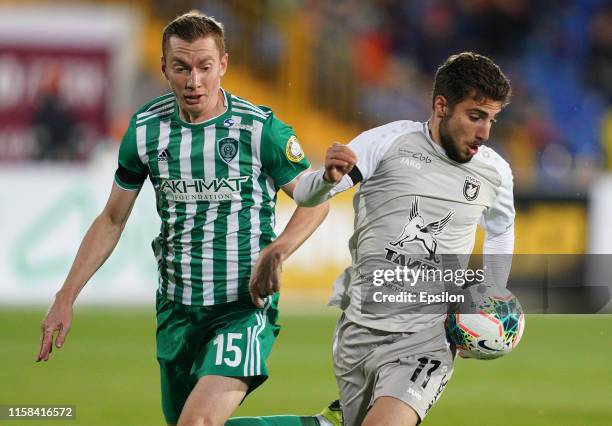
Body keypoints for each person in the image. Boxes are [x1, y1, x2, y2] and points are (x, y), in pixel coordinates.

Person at [36, 11, 334, 426]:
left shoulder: (259, 129)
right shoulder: (145, 130)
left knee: (197, 424)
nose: (194, 80)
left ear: (223, 66)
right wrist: (65, 296)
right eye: (182, 68)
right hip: (176, 310)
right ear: (164, 68)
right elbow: (111, 220)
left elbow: (316, 198)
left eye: (204, 67)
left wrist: (278, 249)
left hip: (241, 306)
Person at [292, 52, 515, 425]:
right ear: (441, 106)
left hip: (427, 338)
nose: (485, 133)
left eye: (492, 119)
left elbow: (501, 229)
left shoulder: (495, 171)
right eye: (475, 116)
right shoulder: (386, 143)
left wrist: (489, 294)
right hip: (360, 330)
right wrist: (326, 179)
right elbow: (306, 196)